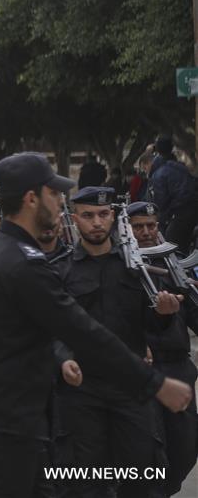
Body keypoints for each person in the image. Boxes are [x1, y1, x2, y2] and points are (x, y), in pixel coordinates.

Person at [0, 152, 192, 497]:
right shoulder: (24, 263)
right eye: (54, 193)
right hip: (11, 420)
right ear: (31, 198)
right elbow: (82, 331)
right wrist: (155, 385)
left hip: (8, 415)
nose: (59, 200)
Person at [52, 186, 180, 497]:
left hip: (130, 389)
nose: (96, 222)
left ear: (113, 216)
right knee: (85, 482)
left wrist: (163, 313)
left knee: (142, 477)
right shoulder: (60, 271)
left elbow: (151, 326)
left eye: (103, 214)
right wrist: (62, 358)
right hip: (82, 390)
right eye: (88, 215)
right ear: (74, 219)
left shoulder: (136, 268)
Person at [128, 200, 198, 496]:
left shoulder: (172, 260)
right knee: (149, 452)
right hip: (144, 368)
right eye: (138, 226)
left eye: (151, 225)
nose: (146, 232)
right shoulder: (121, 266)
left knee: (184, 449)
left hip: (178, 366)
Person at [149, 137, 198, 247]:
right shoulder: (183, 167)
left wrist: (161, 219)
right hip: (192, 212)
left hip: (178, 214)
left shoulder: (160, 173)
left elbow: (160, 202)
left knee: (171, 247)